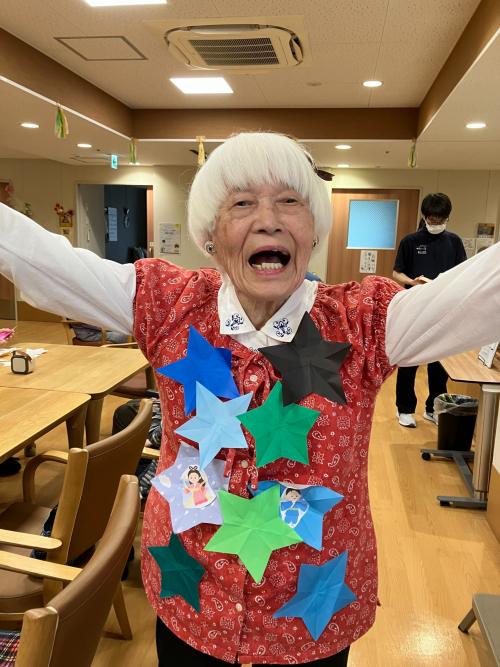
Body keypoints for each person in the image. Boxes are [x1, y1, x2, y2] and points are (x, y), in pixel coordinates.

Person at [0, 132, 499, 667]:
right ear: (209, 237)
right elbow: (41, 260)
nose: (269, 220)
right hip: (190, 593)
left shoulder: (364, 322)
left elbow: (481, 293)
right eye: (241, 203)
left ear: (313, 231)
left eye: (290, 201)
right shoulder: (167, 305)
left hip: (310, 615)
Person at [392, 193, 467, 428]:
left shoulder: (454, 241)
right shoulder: (410, 241)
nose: (437, 224)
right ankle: (404, 409)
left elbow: (462, 273)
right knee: (409, 360)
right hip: (414, 307)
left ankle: (433, 408)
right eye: (433, 220)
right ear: (424, 216)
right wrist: (412, 282)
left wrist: (448, 278)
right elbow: (396, 273)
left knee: (438, 363)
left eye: (441, 220)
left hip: (442, 309)